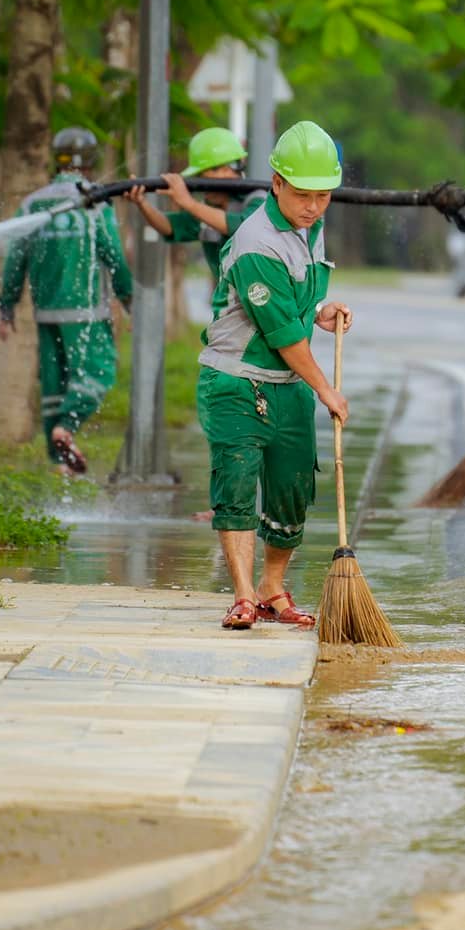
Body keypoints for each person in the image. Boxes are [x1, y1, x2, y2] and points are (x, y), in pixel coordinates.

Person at [197, 119, 353, 630]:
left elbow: (297, 305)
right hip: (236, 382)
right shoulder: (256, 242)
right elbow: (284, 335)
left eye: (324, 196)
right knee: (237, 485)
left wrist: (322, 311)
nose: (313, 206)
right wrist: (326, 389)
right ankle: (242, 594)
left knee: (291, 490)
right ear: (277, 183)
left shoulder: (311, 228)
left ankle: (271, 588)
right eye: (304, 194)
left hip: (286, 387)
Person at [0, 127, 134, 476]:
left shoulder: (32, 203)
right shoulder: (94, 201)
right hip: (86, 309)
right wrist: (127, 296)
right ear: (90, 162)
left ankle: (60, 465)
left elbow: (16, 257)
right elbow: (112, 252)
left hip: (46, 311)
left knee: (55, 383)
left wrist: (7, 304)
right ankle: (67, 428)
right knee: (98, 371)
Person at [124, 127, 268, 311]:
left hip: (263, 305)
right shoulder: (207, 211)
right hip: (229, 309)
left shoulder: (258, 200)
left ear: (227, 170)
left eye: (204, 176)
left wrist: (189, 203)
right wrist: (142, 203)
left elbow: (240, 227)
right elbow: (169, 226)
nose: (201, 184)